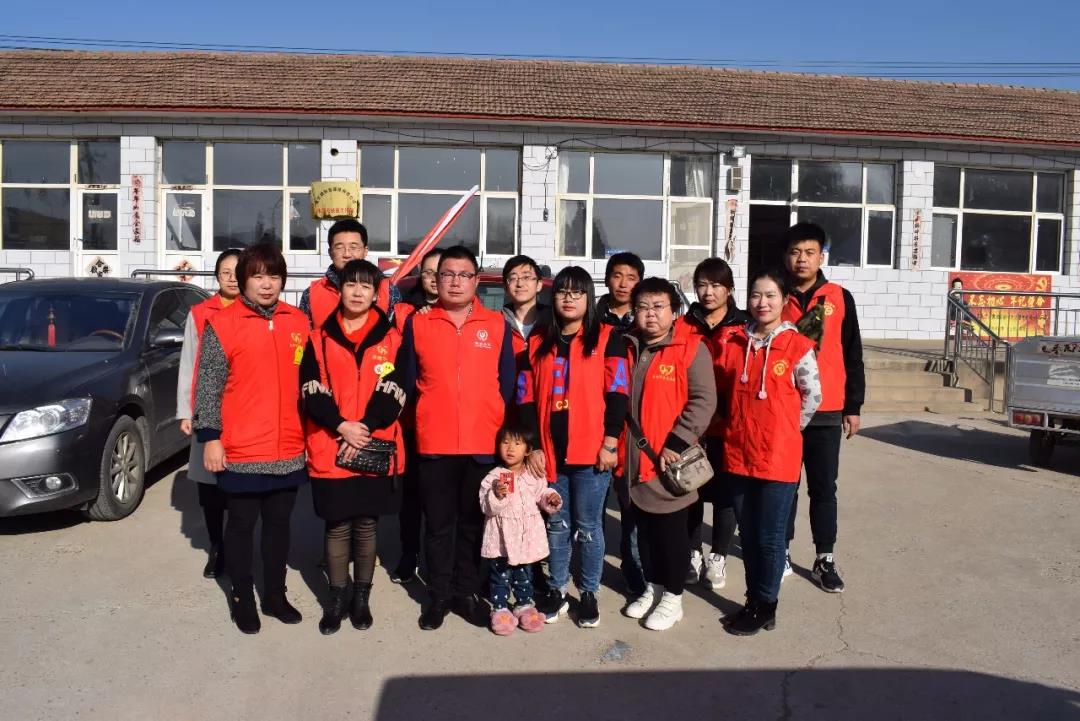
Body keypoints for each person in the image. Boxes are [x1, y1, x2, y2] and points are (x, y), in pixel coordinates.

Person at [393, 245, 519, 631]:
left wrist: (499, 425)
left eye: (464, 275)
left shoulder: (496, 325)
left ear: (476, 281)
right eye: (447, 274)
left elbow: (508, 383)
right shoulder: (419, 323)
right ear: (436, 279)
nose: (455, 282)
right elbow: (405, 381)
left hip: (483, 442)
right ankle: (438, 595)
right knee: (438, 525)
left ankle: (465, 593)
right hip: (435, 441)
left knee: (472, 524)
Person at [193, 243, 310, 635]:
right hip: (241, 447)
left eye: (274, 276)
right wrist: (211, 438)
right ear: (243, 280)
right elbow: (208, 386)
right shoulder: (223, 323)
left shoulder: (298, 321)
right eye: (257, 276)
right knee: (241, 525)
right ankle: (242, 596)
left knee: (279, 526)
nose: (266, 284)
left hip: (289, 446)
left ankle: (275, 595)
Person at [516, 266, 630, 628]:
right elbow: (524, 398)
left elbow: (618, 394)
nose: (569, 298)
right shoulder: (538, 341)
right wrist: (533, 447)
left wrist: (610, 442)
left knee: (589, 527)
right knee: (557, 524)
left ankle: (589, 592)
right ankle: (557, 588)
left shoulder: (608, 338)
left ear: (588, 298)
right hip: (549, 454)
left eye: (577, 292)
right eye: (562, 292)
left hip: (591, 453)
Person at [300, 259, 407, 635]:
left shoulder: (393, 339)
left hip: (374, 444)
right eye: (351, 284)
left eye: (366, 286)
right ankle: (336, 598)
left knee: (365, 525)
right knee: (336, 525)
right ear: (340, 290)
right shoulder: (318, 338)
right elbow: (310, 388)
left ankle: (361, 598)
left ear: (376, 294)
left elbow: (396, 388)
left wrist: (366, 427)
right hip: (331, 444)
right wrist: (342, 426)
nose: (358, 292)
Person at [717, 269, 821, 636]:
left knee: (770, 537)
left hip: (778, 458)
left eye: (770, 295)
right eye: (756, 295)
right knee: (748, 534)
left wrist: (787, 430)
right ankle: (754, 600)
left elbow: (813, 397)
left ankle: (766, 604)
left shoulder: (798, 346)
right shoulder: (734, 342)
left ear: (784, 301)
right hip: (738, 453)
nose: (762, 302)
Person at [620, 278, 716, 631]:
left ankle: (673, 597)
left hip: (668, 460)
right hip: (631, 460)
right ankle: (654, 586)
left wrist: (677, 443)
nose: (650, 314)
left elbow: (704, 401)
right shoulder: (626, 345)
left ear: (674, 311)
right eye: (643, 307)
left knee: (671, 534)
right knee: (643, 532)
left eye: (658, 307)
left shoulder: (691, 348)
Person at [781, 223, 865, 593]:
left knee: (823, 488)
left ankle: (824, 558)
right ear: (786, 257)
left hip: (827, 410)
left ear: (821, 257)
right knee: (784, 486)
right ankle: (781, 551)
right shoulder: (775, 295)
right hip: (784, 410)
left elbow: (853, 354)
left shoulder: (840, 297)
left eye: (809, 252)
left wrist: (853, 406)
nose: (802, 259)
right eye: (795, 252)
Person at [675, 257, 750, 591]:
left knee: (725, 495)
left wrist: (726, 411)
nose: (708, 292)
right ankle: (693, 552)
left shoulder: (745, 326)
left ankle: (718, 556)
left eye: (716, 285)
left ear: (729, 289)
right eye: (702, 285)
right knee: (690, 490)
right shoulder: (683, 325)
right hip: (692, 425)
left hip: (730, 426)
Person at [177, 248, 241, 579]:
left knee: (241, 486)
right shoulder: (201, 313)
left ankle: (238, 545)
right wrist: (186, 410)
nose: (232, 278)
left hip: (243, 409)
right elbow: (189, 363)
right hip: (208, 408)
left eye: (238, 272)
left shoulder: (257, 311)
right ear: (216, 276)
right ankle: (217, 547)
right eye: (225, 272)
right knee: (209, 485)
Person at [388, 248, 442, 585]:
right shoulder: (404, 312)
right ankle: (409, 553)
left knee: (441, 498)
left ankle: (439, 560)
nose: (435, 279)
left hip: (446, 422)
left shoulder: (464, 313)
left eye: (441, 271)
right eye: (428, 272)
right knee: (411, 496)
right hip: (410, 418)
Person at [597, 251, 648, 601]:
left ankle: (634, 570)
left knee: (631, 506)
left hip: (635, 427)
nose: (623, 283)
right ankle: (592, 568)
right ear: (607, 279)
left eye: (631, 277)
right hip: (595, 423)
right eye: (617, 275)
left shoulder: (645, 321)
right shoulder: (591, 317)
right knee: (594, 507)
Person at [479, 422, 562, 635]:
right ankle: (500, 609)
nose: (510, 448)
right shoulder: (493, 477)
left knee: (524, 574)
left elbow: (541, 494)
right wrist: (497, 495)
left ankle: (523, 605)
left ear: (528, 450)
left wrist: (551, 498)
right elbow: (487, 508)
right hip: (501, 539)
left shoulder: (534, 475)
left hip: (525, 538)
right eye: (505, 442)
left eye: (517, 444)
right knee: (500, 576)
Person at [299, 219, 391, 330]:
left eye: (353, 247)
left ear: (365, 251)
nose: (347, 254)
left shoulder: (388, 290)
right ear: (330, 253)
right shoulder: (311, 294)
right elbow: (303, 336)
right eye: (339, 248)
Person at [501, 254, 549, 356]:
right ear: (505, 287)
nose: (520, 284)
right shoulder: (497, 324)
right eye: (513, 278)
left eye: (526, 277)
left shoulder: (552, 324)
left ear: (539, 284)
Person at [597, 251, 643, 332]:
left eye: (631, 278)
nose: (623, 285)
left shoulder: (647, 318)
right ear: (606, 280)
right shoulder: (590, 315)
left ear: (640, 283)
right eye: (617, 277)